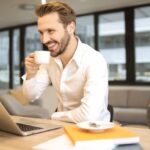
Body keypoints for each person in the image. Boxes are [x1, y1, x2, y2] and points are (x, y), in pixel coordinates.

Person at [22, 1, 110, 123]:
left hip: (93, 131)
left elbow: (89, 115)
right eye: (41, 33)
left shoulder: (94, 60)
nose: (44, 40)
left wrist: (55, 116)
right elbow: (30, 96)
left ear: (71, 27)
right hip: (62, 128)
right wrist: (31, 73)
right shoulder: (50, 60)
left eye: (51, 31)